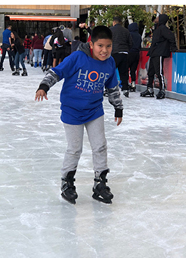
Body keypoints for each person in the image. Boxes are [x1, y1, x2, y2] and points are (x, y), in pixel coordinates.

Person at [34, 26, 123, 205]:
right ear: (91, 44)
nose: (104, 50)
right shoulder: (78, 57)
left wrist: (118, 108)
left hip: (94, 110)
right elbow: (57, 71)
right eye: (100, 46)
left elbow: (112, 87)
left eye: (108, 46)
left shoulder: (110, 62)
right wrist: (44, 86)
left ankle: (100, 183)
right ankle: (67, 183)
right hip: (72, 110)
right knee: (75, 149)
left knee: (100, 146)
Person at [140, 14, 176, 99]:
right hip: (154, 52)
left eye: (157, 18)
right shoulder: (157, 28)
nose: (156, 19)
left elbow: (171, 37)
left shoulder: (163, 28)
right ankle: (149, 89)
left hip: (159, 53)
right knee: (151, 71)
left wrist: (173, 47)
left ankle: (162, 90)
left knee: (159, 72)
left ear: (161, 19)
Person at [110, 17, 133, 97]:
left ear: (114, 22)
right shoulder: (126, 31)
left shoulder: (111, 30)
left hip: (114, 53)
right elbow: (130, 43)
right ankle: (126, 88)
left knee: (111, 71)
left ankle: (108, 89)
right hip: (124, 53)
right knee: (124, 72)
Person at [128, 22, 142, 92]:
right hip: (137, 54)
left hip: (129, 53)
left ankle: (127, 83)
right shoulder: (139, 36)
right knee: (133, 70)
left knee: (126, 69)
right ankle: (133, 83)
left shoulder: (129, 35)